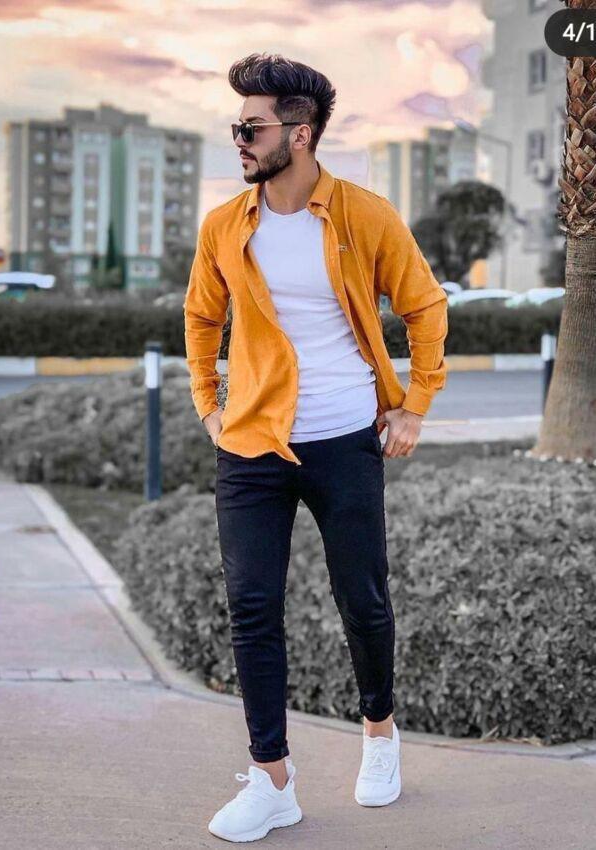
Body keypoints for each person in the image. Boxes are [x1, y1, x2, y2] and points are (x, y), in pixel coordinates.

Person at [183, 51, 449, 843]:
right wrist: (208, 407)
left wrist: (414, 407)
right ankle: (272, 781)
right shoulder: (225, 225)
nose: (239, 140)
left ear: (299, 134)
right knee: (252, 606)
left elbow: (425, 307)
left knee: (361, 598)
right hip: (251, 445)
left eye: (252, 127)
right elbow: (201, 318)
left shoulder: (364, 215)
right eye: (237, 126)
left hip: (343, 439)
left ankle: (380, 734)